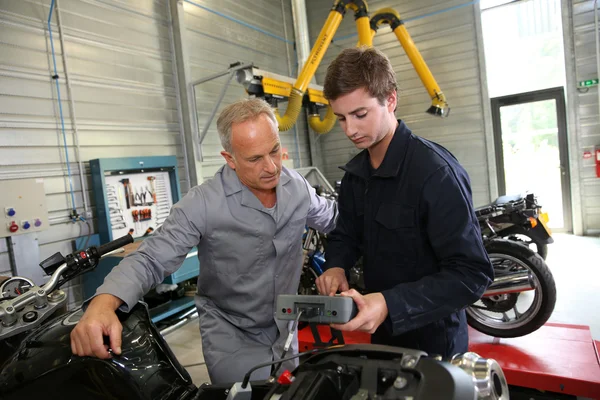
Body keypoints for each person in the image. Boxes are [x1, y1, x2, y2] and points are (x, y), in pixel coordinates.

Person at [71, 98, 338, 383]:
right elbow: (152, 257)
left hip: (286, 329)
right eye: (255, 159)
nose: (272, 167)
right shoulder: (203, 204)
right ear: (230, 159)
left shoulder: (297, 187)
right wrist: (103, 303)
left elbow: (335, 220)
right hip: (232, 335)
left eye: (274, 151)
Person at [315, 47, 494, 359]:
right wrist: (335, 265)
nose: (350, 130)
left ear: (391, 100)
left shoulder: (435, 173)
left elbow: (471, 274)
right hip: (382, 333)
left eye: (360, 115)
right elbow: (346, 234)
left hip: (435, 344)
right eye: (341, 118)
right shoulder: (357, 176)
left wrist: (390, 303)